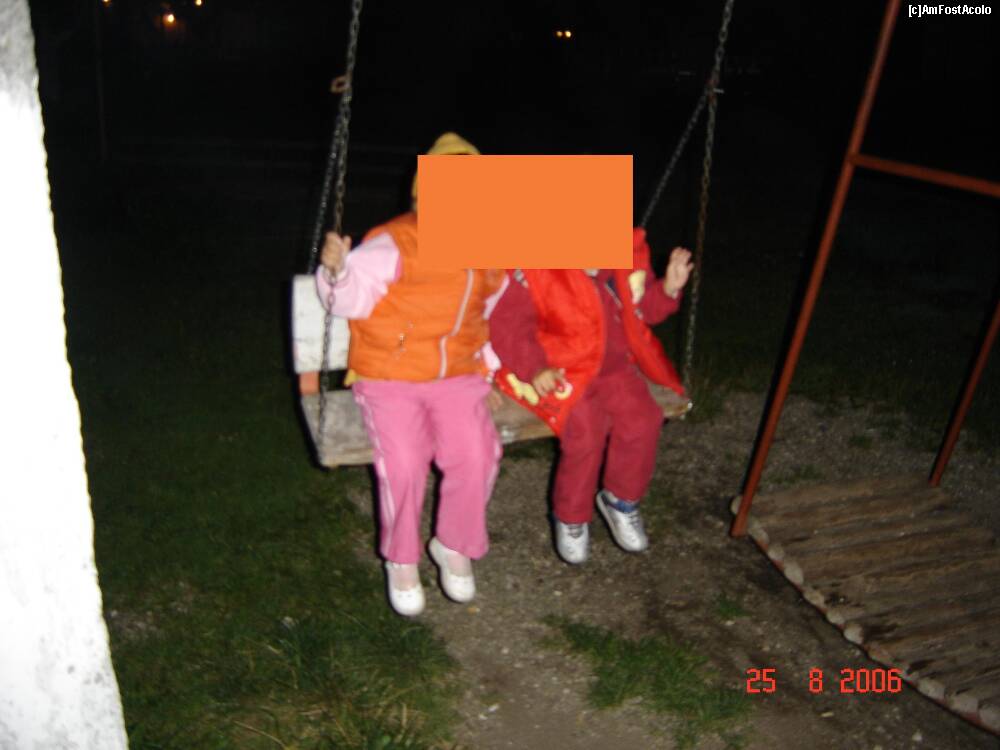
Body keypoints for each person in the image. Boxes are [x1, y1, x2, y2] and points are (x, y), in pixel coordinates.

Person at [315, 132, 507, 615]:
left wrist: (488, 367)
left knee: (479, 452)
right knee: (404, 460)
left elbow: (483, 316)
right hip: (391, 374)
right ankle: (401, 558)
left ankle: (454, 543)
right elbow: (349, 299)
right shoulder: (397, 242)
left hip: (456, 375)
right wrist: (336, 273)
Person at [489, 228, 692, 563]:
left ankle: (621, 500)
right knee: (586, 432)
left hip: (614, 367)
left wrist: (669, 288)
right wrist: (535, 368)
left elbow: (643, 310)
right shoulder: (535, 269)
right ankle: (570, 517)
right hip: (562, 371)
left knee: (643, 419)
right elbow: (509, 325)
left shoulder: (623, 263)